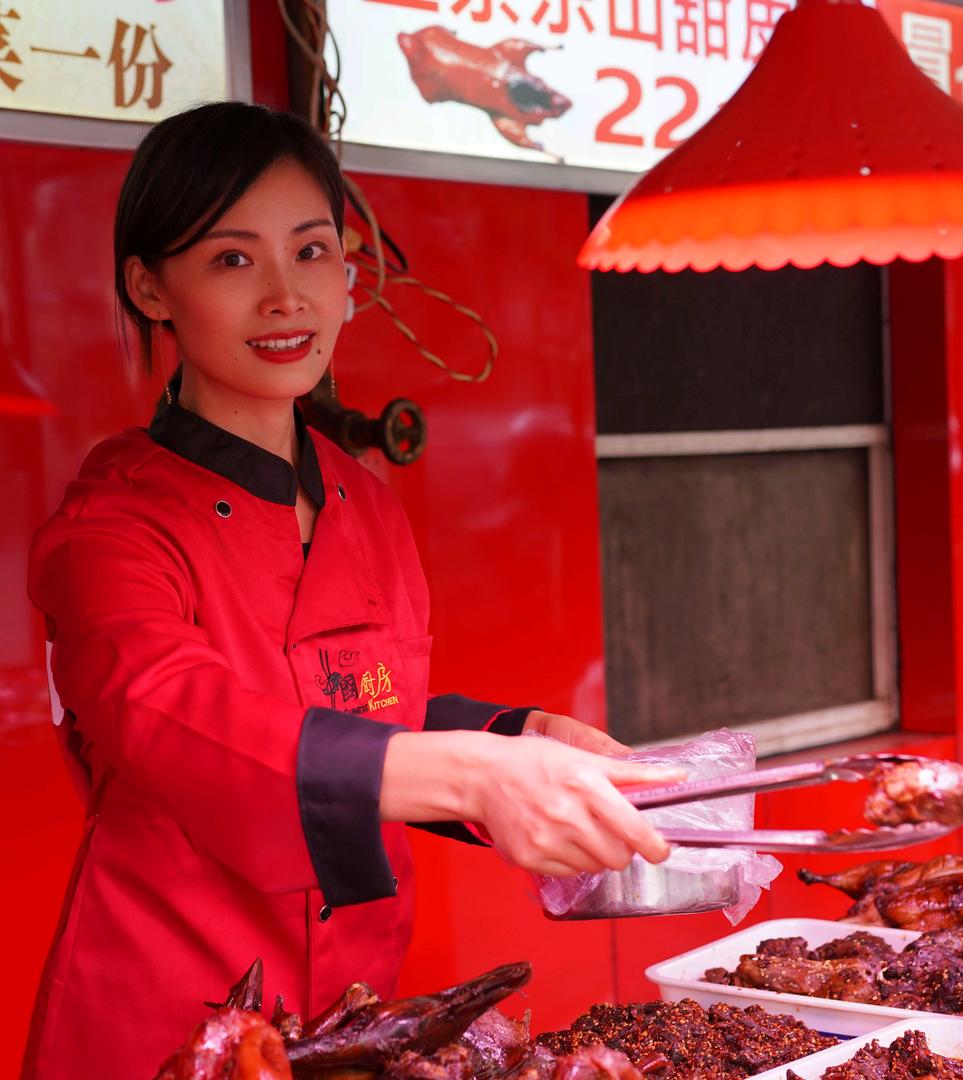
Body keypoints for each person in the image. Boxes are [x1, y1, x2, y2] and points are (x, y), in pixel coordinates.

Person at [21, 102, 683, 1079]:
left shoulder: (363, 502)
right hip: (163, 1016)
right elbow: (174, 718)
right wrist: (469, 777)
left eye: (313, 251)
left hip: (352, 1014)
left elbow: (363, 710)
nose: (287, 297)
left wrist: (516, 739)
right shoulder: (110, 526)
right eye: (233, 260)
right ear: (149, 287)